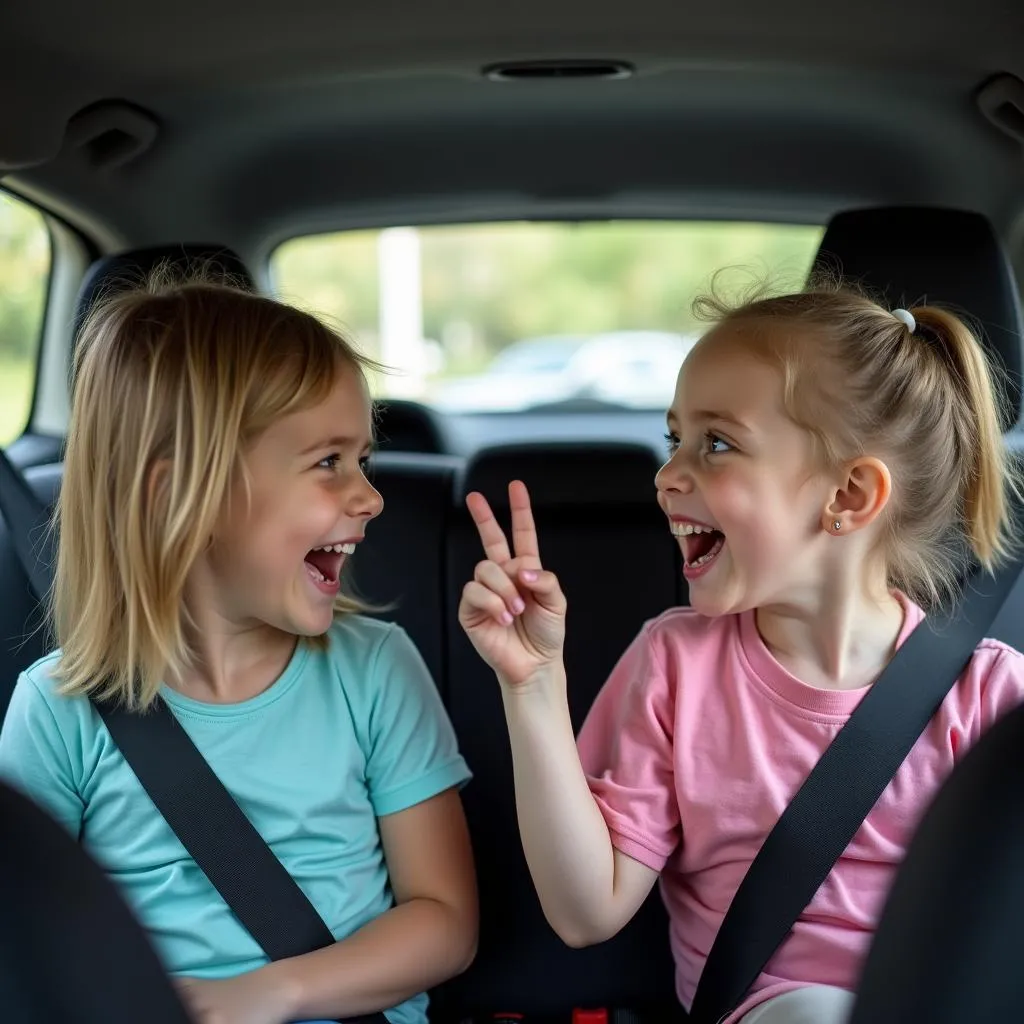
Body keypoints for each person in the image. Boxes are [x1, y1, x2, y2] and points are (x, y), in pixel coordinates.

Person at [458, 284, 1024, 1023]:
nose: (667, 475)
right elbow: (584, 912)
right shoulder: (676, 667)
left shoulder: (989, 695)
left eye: (716, 443)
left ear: (848, 496)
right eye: (675, 439)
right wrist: (533, 686)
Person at [0, 277, 477, 1024]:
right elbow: (29, 941)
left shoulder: (374, 669)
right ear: (179, 492)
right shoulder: (57, 711)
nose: (370, 496)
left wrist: (271, 993)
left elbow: (445, 920)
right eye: (328, 462)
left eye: (363, 460)